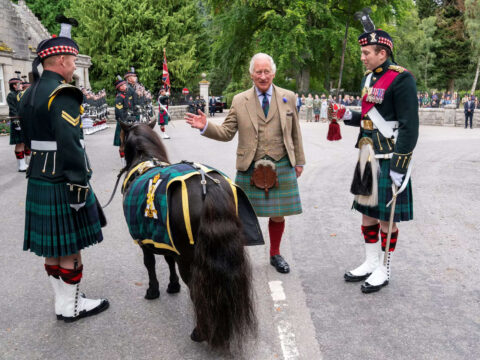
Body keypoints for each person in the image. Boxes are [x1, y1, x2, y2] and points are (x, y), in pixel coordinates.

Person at [18, 15, 109, 321]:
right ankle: (71, 307)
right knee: (69, 247)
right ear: (59, 60)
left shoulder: (28, 93)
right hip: (62, 177)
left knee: (53, 247)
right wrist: (79, 185)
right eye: (71, 60)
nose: (74, 67)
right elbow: (71, 145)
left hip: (39, 175)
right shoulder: (62, 93)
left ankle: (63, 302)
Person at [185, 53, 305, 274]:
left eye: (266, 71)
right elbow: (227, 132)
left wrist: (299, 162)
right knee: (240, 215)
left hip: (282, 164)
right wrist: (205, 126)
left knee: (278, 214)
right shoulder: (240, 100)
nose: (262, 76)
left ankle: (275, 254)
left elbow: (295, 133)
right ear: (251, 74)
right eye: (258, 72)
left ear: (273, 72)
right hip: (250, 166)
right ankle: (238, 257)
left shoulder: (289, 97)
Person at [339, 14, 419, 293]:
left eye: (365, 53)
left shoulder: (402, 79)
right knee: (366, 213)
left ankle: (384, 268)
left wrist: (400, 163)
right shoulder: (369, 78)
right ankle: (370, 261)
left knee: (387, 217)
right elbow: (369, 116)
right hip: (367, 154)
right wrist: (346, 115)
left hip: (389, 158)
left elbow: (410, 126)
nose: (362, 57)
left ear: (382, 53)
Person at [7, 75, 29, 172]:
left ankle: (25, 163)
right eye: (19, 84)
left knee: (24, 142)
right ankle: (21, 165)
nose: (21, 85)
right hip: (17, 121)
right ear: (14, 86)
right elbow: (13, 109)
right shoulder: (11, 95)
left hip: (23, 121)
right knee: (19, 144)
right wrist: (16, 122)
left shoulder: (20, 94)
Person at [114, 76, 129, 165]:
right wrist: (123, 122)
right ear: (119, 88)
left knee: (127, 142)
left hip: (126, 120)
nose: (124, 86)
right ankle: (123, 161)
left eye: (124, 84)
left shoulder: (125, 95)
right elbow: (119, 110)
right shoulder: (120, 96)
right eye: (122, 85)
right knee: (122, 143)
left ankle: (127, 160)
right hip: (122, 122)